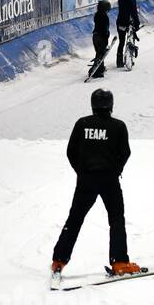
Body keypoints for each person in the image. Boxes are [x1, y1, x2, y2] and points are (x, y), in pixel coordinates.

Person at [51, 89, 141, 280]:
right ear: (111, 105)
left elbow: (71, 151)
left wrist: (81, 171)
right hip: (109, 181)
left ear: (93, 105)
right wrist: (115, 171)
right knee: (116, 219)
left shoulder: (82, 124)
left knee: (74, 220)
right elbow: (125, 153)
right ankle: (120, 263)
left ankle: (58, 261)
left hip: (86, 181)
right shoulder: (118, 126)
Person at [115, 0, 140, 68]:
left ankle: (119, 61)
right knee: (131, 39)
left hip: (120, 22)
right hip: (129, 23)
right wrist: (137, 23)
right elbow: (134, 12)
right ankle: (130, 58)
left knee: (121, 42)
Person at [89, 0, 111, 79]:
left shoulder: (97, 15)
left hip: (95, 36)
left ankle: (100, 68)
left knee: (99, 53)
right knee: (101, 54)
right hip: (101, 37)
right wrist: (107, 35)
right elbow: (105, 28)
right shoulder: (104, 16)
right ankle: (96, 71)